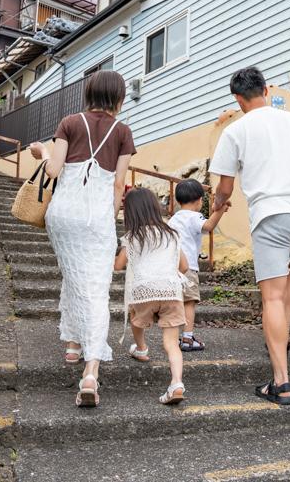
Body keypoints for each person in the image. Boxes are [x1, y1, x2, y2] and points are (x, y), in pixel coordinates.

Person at [209, 67, 290, 406]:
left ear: (237, 98)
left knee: (271, 298)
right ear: (265, 88)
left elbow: (226, 186)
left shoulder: (235, 130)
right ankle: (281, 335)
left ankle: (281, 383)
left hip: (272, 214)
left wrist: (218, 202)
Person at [28, 70, 135, 408]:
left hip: (62, 215)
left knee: (75, 277)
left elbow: (54, 170)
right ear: (117, 97)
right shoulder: (123, 132)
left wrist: (42, 153)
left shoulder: (70, 122)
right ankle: (91, 371)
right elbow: (119, 186)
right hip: (96, 218)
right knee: (96, 290)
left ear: (89, 93)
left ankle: (74, 343)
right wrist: (112, 216)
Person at [114, 188, 190, 405]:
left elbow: (119, 266)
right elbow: (184, 267)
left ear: (130, 212)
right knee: (171, 343)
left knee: (136, 318)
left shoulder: (132, 237)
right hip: (171, 292)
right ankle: (176, 383)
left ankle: (141, 348)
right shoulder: (172, 235)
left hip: (143, 291)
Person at [169, 179, 230, 352]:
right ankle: (187, 338)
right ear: (198, 200)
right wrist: (221, 210)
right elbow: (209, 226)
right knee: (189, 302)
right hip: (188, 268)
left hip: (172, 267)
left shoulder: (173, 219)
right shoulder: (195, 217)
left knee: (176, 302)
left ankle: (172, 336)